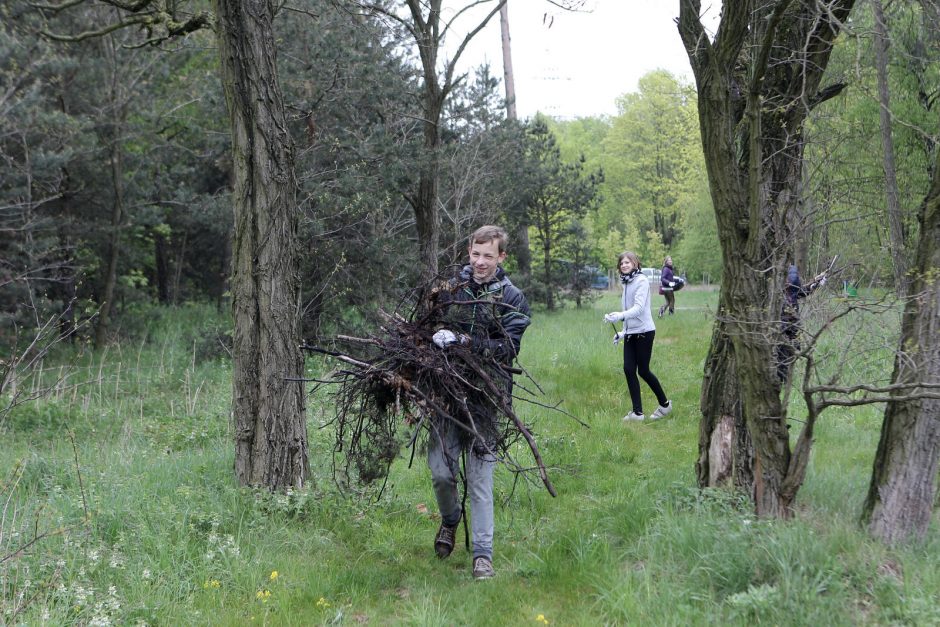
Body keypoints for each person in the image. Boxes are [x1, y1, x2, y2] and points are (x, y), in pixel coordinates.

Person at [428, 225, 531, 580]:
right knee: (441, 471)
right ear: (468, 252)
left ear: (502, 256)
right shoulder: (451, 291)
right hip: (447, 393)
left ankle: (483, 555)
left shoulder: (512, 298)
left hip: (487, 397)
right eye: (476, 254)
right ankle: (450, 520)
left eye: (489, 256)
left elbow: (509, 348)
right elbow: (430, 328)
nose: (481, 262)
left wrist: (464, 340)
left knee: (480, 478)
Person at [603, 251, 672, 421]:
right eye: (621, 263)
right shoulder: (626, 282)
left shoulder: (641, 280)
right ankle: (637, 413)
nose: (624, 265)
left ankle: (665, 405)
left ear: (635, 263)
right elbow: (630, 312)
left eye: (627, 262)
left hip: (644, 332)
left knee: (644, 371)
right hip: (631, 333)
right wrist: (622, 332)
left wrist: (620, 315)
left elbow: (639, 309)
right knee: (628, 369)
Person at [776, 263, 827, 381]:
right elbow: (802, 291)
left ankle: (783, 381)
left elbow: (802, 291)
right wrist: (817, 283)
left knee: (785, 355)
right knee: (785, 354)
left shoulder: (783, 280)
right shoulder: (788, 277)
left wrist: (818, 282)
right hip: (788, 323)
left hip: (787, 324)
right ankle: (783, 380)